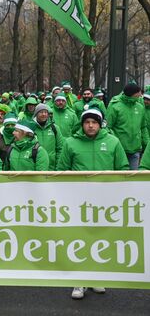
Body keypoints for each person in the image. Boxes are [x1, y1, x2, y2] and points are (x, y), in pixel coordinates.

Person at [57, 107, 127, 299]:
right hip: (78, 201)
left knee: (101, 240)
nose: (90, 125)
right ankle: (78, 281)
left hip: (105, 202)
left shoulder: (113, 142)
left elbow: (123, 169)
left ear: (100, 124)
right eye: (87, 122)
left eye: (94, 122)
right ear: (82, 124)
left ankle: (97, 276)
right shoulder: (70, 143)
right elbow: (62, 171)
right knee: (79, 240)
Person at [106, 83, 148, 170]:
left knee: (133, 178)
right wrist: (115, 142)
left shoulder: (140, 107)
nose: (140, 95)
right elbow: (107, 127)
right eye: (138, 94)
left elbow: (143, 127)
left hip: (135, 149)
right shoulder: (115, 106)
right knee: (120, 178)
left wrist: (147, 145)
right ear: (131, 94)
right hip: (119, 149)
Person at [32, 103, 63, 170]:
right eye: (41, 112)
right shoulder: (31, 128)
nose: (44, 114)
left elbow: (60, 148)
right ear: (36, 114)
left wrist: (58, 166)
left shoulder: (54, 128)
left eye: (45, 112)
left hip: (52, 166)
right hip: (35, 166)